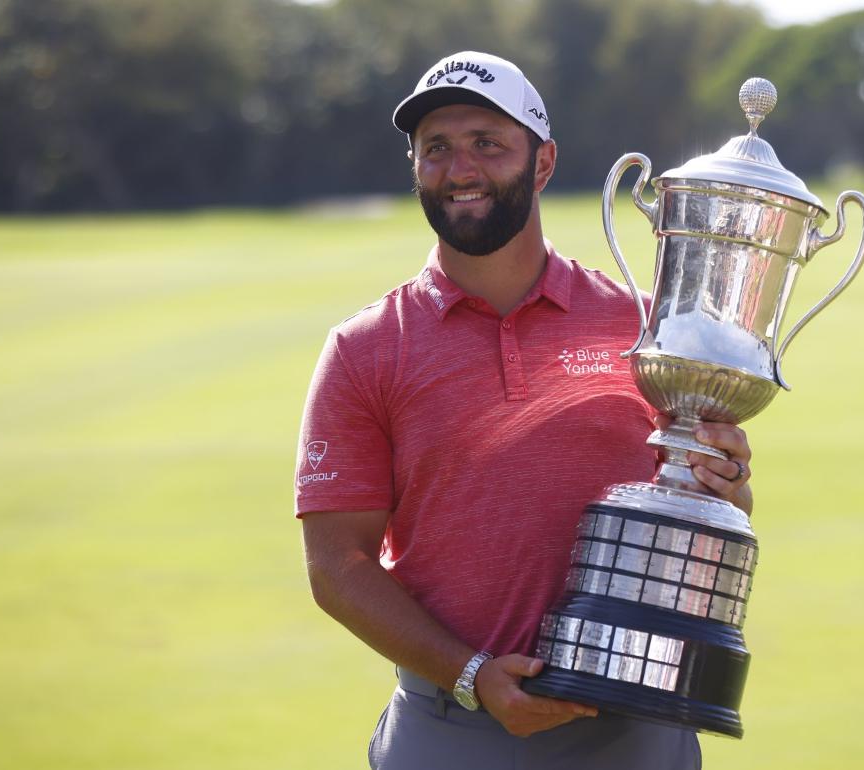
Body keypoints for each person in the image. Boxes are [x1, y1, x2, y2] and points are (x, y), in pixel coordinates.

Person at [295, 50, 753, 770]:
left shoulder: (645, 328)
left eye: (487, 143)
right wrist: (471, 674)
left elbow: (697, 505)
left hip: (634, 725)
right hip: (454, 725)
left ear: (542, 164)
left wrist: (726, 486)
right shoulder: (366, 349)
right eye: (436, 148)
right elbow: (337, 566)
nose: (460, 168)